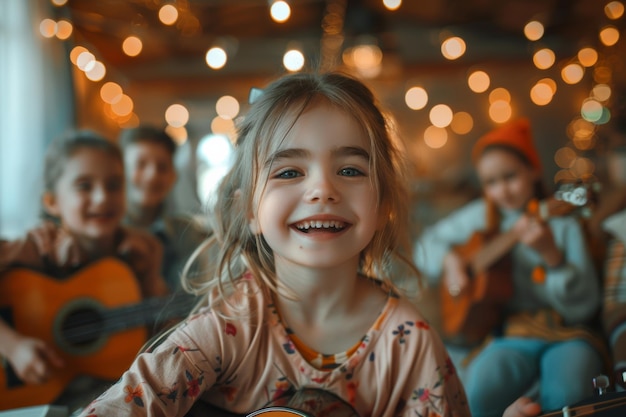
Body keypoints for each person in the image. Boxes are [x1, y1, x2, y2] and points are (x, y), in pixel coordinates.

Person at [414, 118, 605, 417]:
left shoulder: (564, 225)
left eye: (510, 176)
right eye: (490, 182)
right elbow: (424, 247)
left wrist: (551, 256)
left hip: (569, 333)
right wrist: (451, 262)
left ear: (533, 170)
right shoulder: (481, 215)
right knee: (477, 391)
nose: (501, 190)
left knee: (568, 393)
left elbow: (584, 309)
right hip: (511, 334)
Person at [0, 130, 170, 411]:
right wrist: (13, 346)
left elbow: (165, 334)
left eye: (114, 185)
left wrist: (150, 275)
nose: (102, 197)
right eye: (84, 186)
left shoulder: (143, 249)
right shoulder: (36, 247)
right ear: (52, 202)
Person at [118, 125, 210, 292]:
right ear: (119, 171)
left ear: (173, 177)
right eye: (141, 164)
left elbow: (189, 304)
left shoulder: (185, 234)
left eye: (162, 167)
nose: (152, 174)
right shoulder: (101, 230)